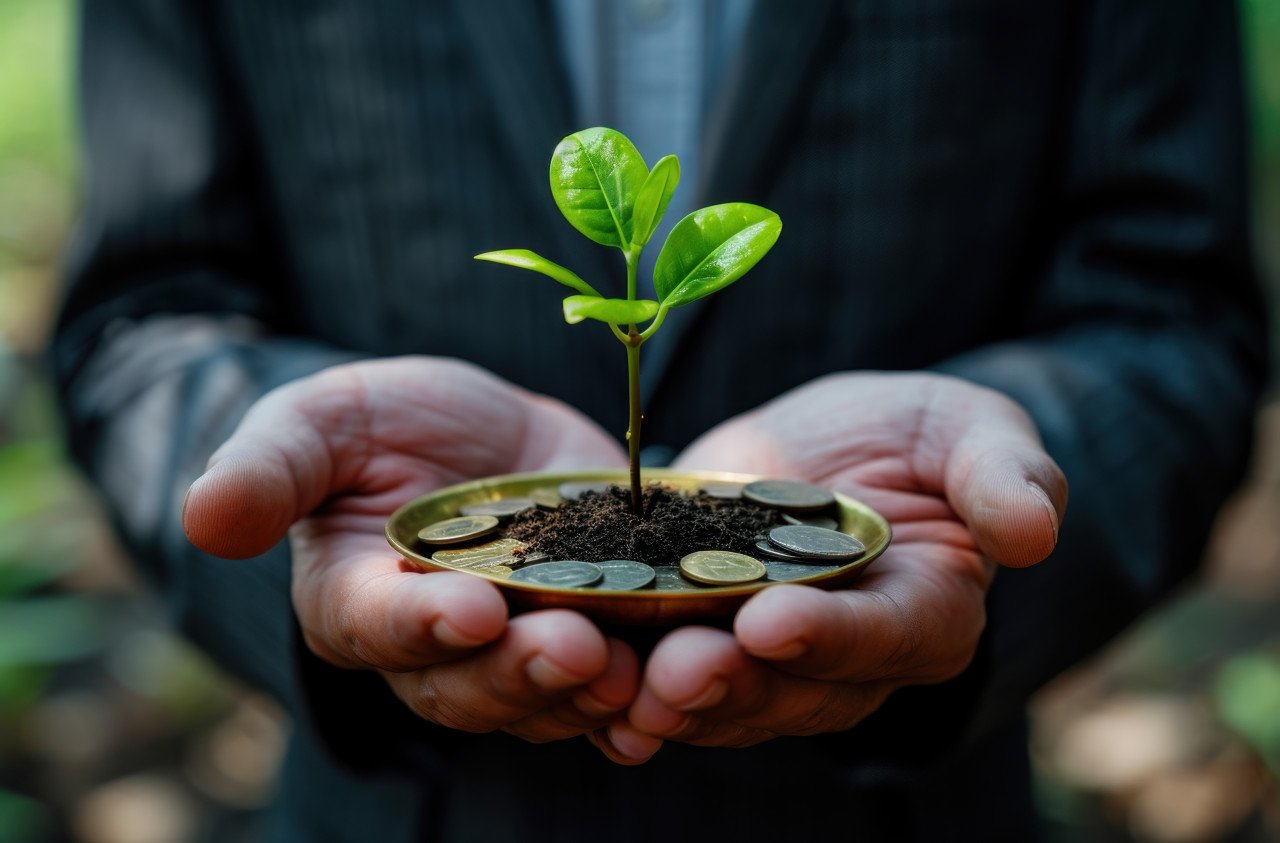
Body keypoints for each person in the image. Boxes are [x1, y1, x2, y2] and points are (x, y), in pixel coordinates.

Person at [53, 1, 1266, 840]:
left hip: (900, 810)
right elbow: (147, 318)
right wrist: (316, 533)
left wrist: (979, 533)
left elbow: (1165, 314)